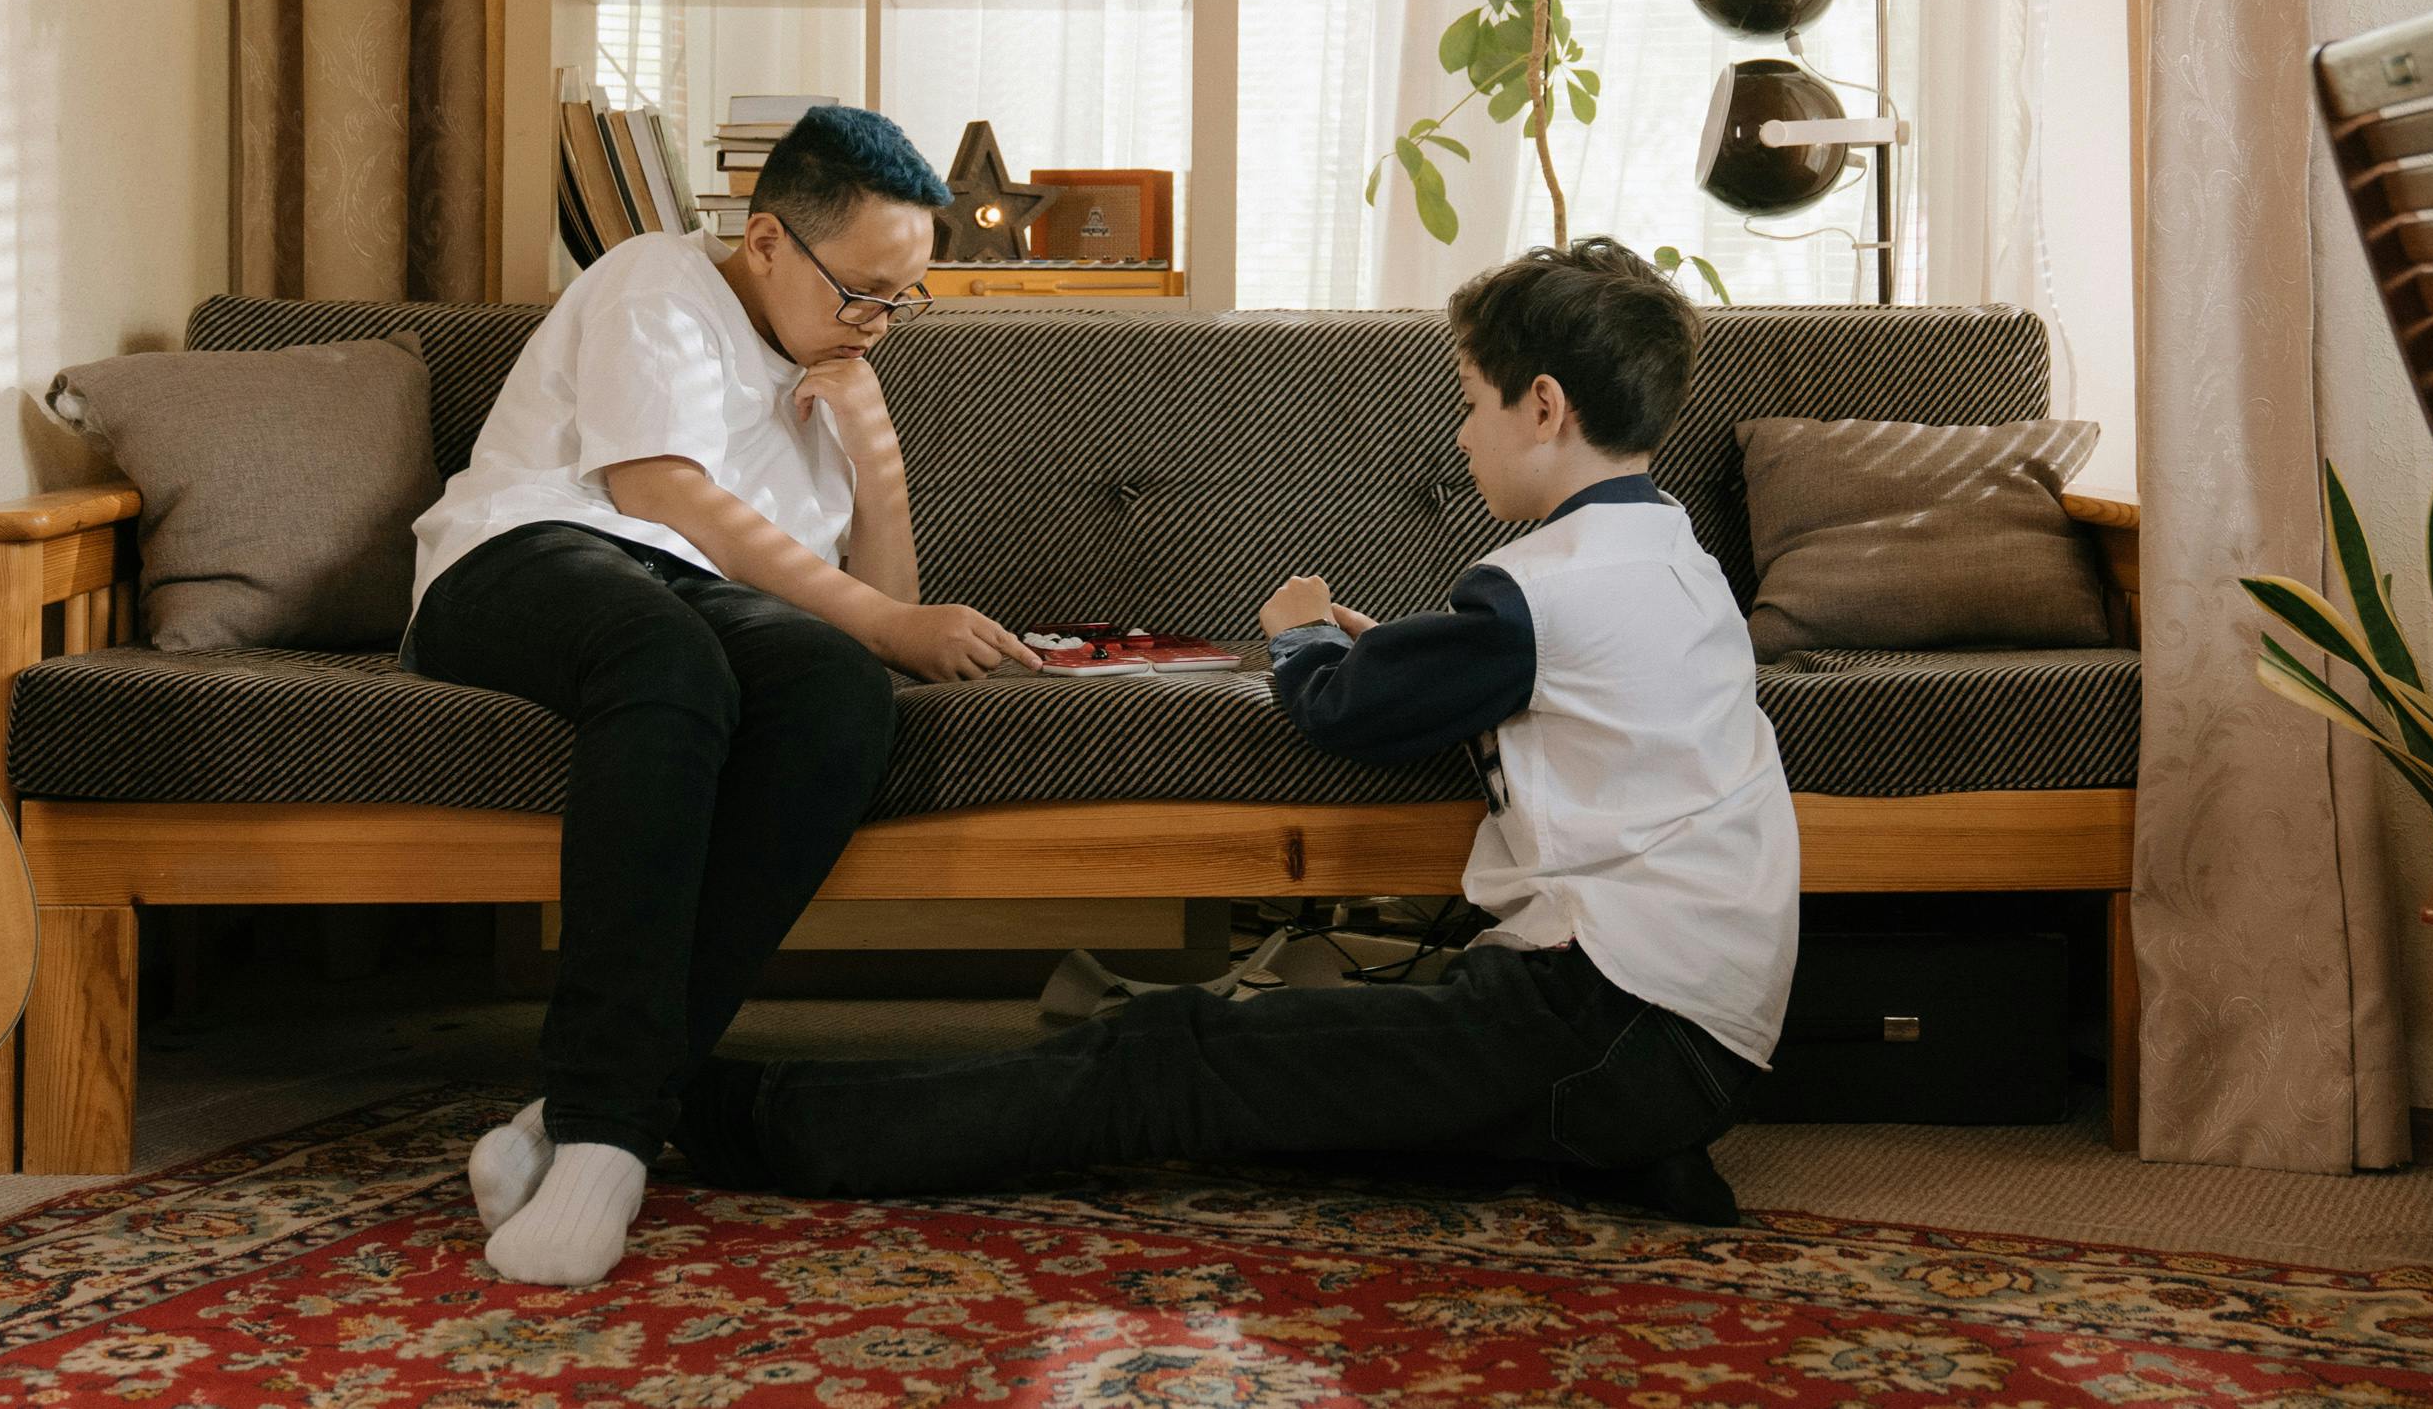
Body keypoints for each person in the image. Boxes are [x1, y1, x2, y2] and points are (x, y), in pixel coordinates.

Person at [680, 237, 1798, 1225]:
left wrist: (1300, 630)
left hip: (1602, 1019)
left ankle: (754, 1119)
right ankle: (1602, 1141)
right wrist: (1405, 647)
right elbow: (1518, 673)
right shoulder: (1668, 552)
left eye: (1469, 403)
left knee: (1169, 1053)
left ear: (1543, 406)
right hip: (1690, 1033)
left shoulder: (1535, 585)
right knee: (1296, 1073)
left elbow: (1337, 708)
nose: (1459, 438)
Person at [406, 105, 1036, 1283]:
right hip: (530, 556)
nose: (878, 325)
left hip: (689, 599)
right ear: (763, 242)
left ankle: (565, 1116)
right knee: (668, 659)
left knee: (839, 692)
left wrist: (875, 449)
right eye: (862, 292)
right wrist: (887, 617)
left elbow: (879, 614)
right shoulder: (657, 279)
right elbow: (664, 494)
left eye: (904, 301)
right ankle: (608, 1137)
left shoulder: (830, 370)